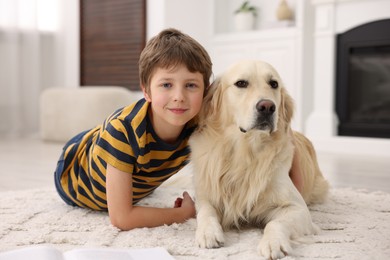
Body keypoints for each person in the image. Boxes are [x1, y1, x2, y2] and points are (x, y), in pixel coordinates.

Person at [54, 28, 304, 231]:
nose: (179, 97)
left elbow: (286, 133)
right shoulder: (123, 132)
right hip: (75, 173)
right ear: (145, 90)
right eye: (166, 84)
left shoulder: (199, 119)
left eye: (191, 86)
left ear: (206, 93)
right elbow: (121, 218)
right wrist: (180, 214)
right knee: (112, 166)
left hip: (138, 180)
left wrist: (296, 195)